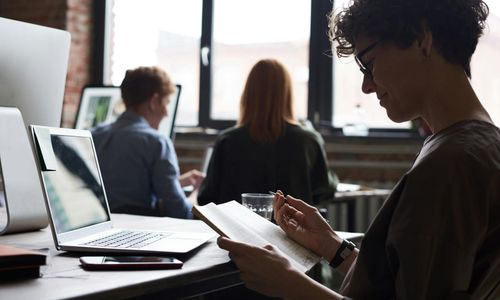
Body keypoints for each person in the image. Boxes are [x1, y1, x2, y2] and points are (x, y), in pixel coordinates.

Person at [217, 0, 500, 299]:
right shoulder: (477, 145)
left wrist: (290, 284)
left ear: (421, 39)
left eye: (369, 63)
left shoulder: (451, 165)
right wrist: (331, 245)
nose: (366, 86)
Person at [198, 59, 337, 206]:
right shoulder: (309, 140)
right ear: (287, 94)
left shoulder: (227, 140)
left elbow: (207, 197)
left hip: (236, 228)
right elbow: (325, 191)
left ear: (248, 94)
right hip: (291, 228)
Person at [92, 66, 204, 219]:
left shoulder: (94, 135)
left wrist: (176, 183)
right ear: (153, 101)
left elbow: (123, 188)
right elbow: (178, 211)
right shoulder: (157, 143)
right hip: (139, 231)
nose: (166, 113)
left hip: (100, 229)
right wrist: (195, 196)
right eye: (166, 103)